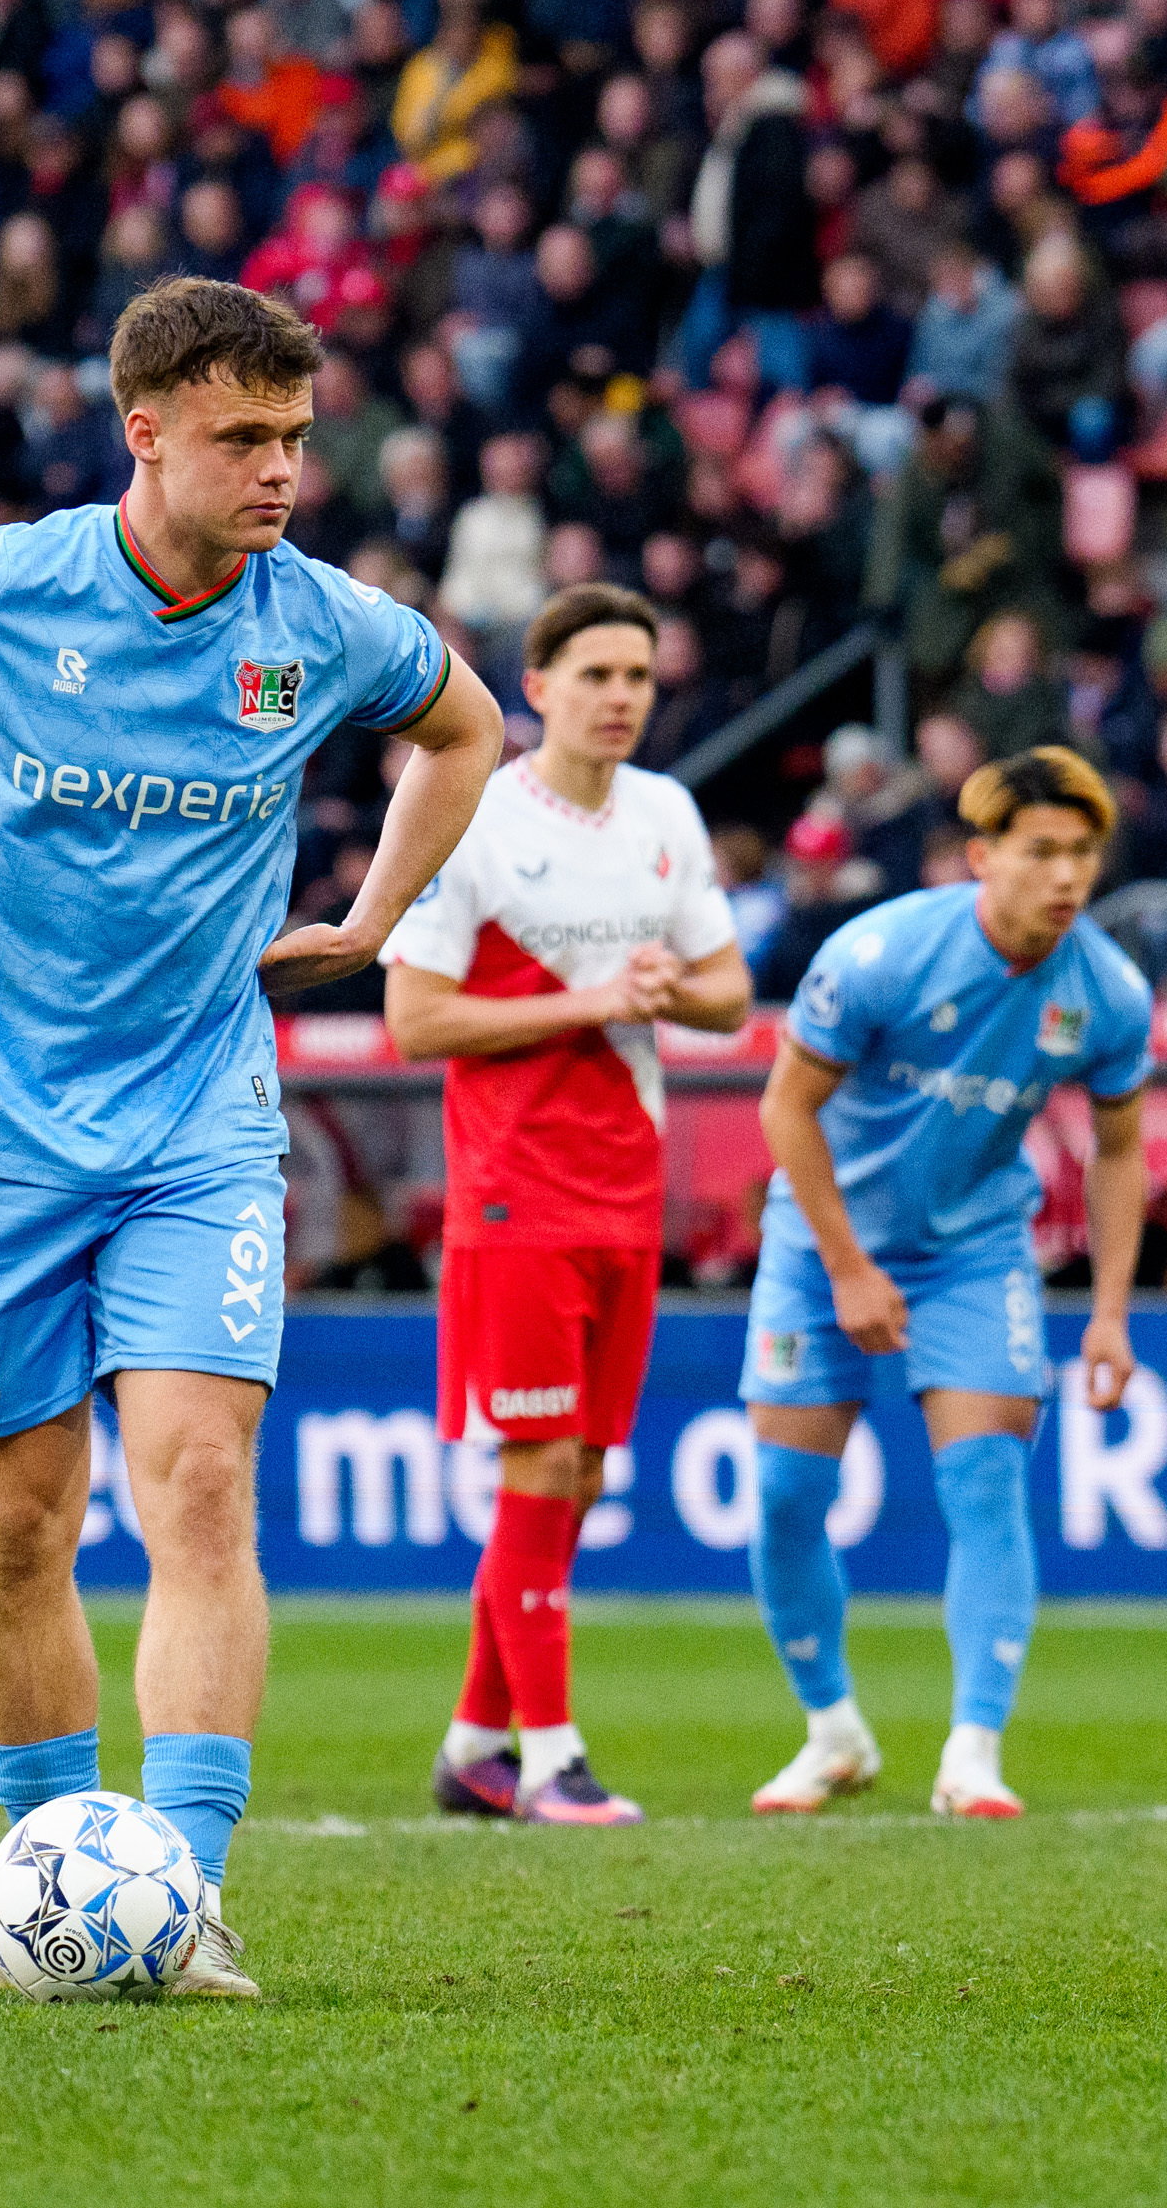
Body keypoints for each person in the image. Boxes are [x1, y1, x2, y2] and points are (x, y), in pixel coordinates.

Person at [0, 278, 503, 1996]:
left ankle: (191, 1897)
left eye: (297, 438)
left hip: (197, 1127)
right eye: (244, 438)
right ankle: (46, 1894)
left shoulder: (318, 626)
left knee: (202, 1485)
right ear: (142, 431)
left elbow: (465, 728)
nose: (282, 472)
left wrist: (380, 911)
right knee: (19, 1524)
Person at [380, 584, 752, 1827]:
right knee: (539, 1460)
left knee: (579, 1474)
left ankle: (476, 1745)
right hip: (515, 1193)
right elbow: (416, 1017)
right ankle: (551, 1757)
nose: (622, 697)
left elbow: (728, 991)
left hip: (626, 1184)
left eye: (639, 676)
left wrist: (661, 988)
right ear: (535, 688)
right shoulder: (471, 815)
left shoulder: (667, 815)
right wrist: (583, 1004)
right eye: (596, 674)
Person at [739, 748, 1155, 1820]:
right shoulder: (880, 952)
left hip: (974, 1248)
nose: (1066, 877)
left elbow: (1118, 1151)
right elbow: (785, 1110)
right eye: (1042, 852)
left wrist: (1110, 1311)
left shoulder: (1107, 991)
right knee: (787, 1499)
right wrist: (846, 1267)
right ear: (982, 858)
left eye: (1083, 855)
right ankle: (832, 1731)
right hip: (821, 1240)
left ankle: (974, 1750)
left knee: (983, 1483)